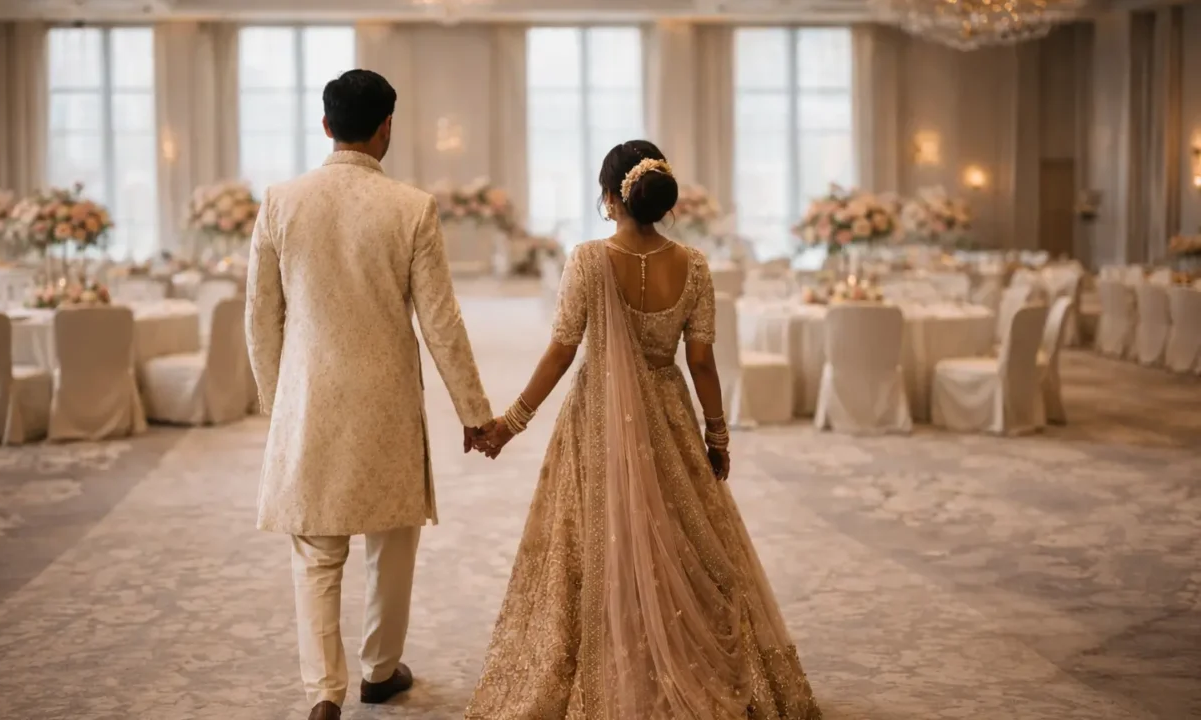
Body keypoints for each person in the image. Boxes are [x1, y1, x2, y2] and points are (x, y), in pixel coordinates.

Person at [464, 140, 822, 719]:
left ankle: (615, 656)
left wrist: (510, 424)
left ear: (611, 198)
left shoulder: (587, 259)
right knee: (678, 539)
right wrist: (717, 435)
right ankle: (682, 654)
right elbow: (702, 362)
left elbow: (561, 352)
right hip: (671, 415)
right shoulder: (694, 265)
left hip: (598, 418)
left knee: (600, 537)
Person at [245, 69, 496, 720]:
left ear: (326, 127)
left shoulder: (279, 201)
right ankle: (380, 672)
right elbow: (441, 321)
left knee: (317, 551)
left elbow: (260, 317)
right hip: (384, 401)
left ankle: (323, 693)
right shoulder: (411, 207)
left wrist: (279, 408)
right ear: (386, 128)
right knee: (392, 541)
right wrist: (475, 412)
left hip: (309, 400)